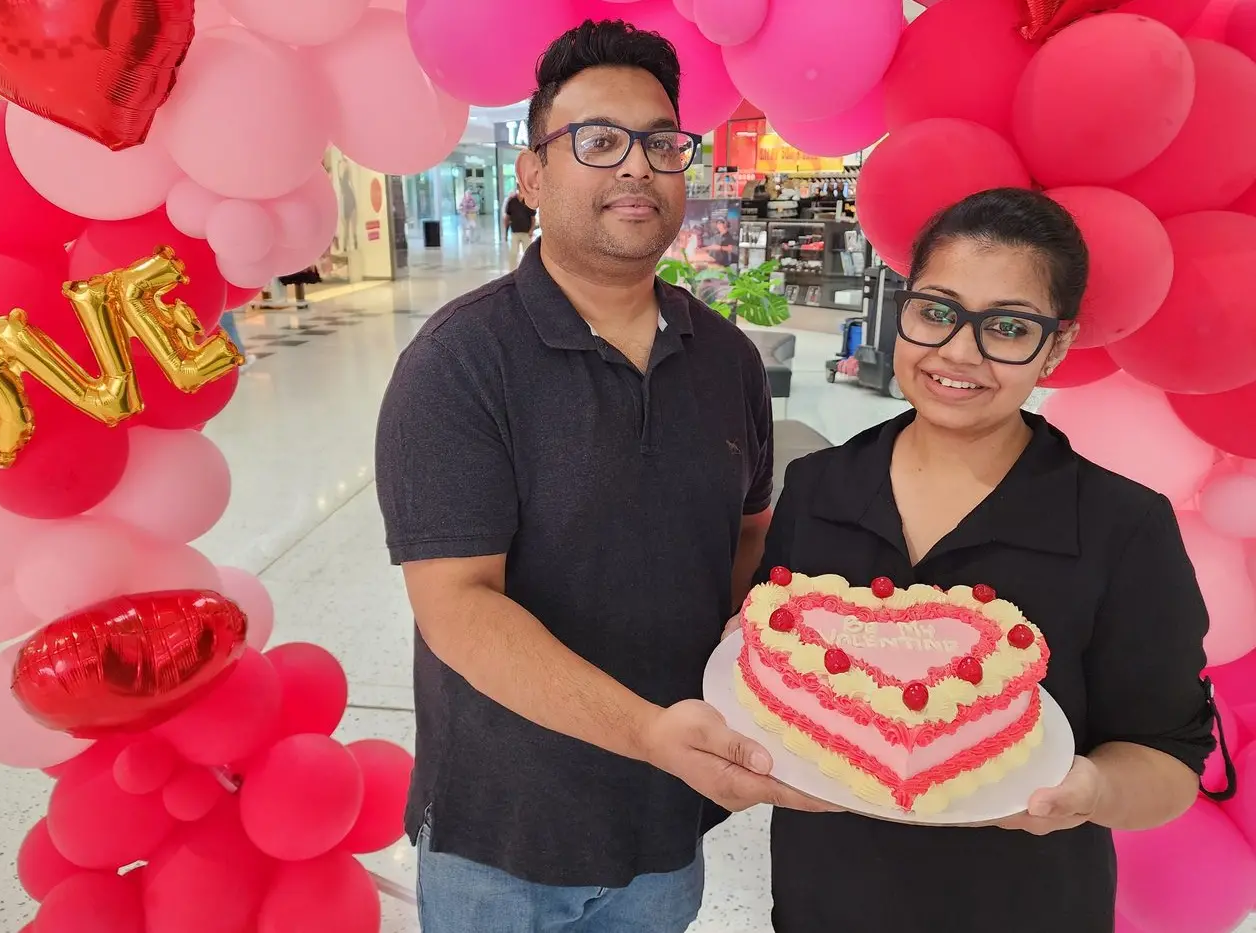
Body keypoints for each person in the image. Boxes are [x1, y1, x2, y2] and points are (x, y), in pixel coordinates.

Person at [375, 19, 827, 932]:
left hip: (665, 820)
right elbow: (458, 604)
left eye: (661, 143)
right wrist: (651, 733)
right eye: (598, 140)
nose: (636, 167)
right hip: (502, 837)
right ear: (533, 175)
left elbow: (745, 533)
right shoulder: (461, 362)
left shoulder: (727, 358)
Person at [754, 187, 1217, 933]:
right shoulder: (819, 487)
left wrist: (1089, 790)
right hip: (825, 895)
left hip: (1024, 906)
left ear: (1057, 346)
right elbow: (768, 663)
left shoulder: (1119, 526)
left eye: (1007, 326)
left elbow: (1169, 762)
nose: (959, 352)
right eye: (937, 311)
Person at [503, 187, 538, 267]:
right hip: (515, 231)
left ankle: (528, 269)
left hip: (526, 232)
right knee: (513, 253)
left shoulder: (528, 202)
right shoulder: (511, 201)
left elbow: (533, 218)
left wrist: (531, 230)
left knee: (527, 253)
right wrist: (505, 232)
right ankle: (512, 269)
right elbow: (507, 217)